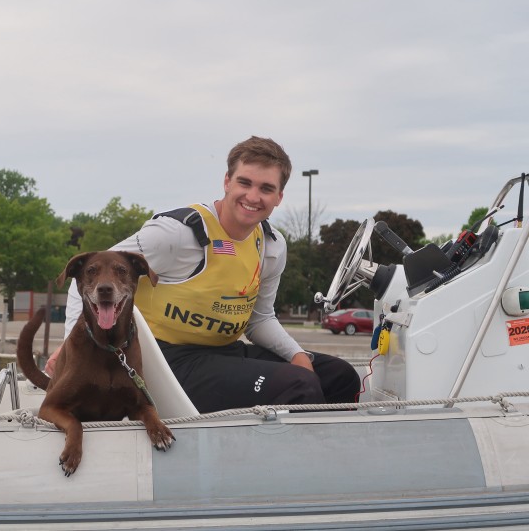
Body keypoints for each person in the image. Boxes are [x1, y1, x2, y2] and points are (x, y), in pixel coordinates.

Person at [56, 136, 360, 413]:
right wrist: (74, 349)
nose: (253, 196)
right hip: (164, 362)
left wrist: (297, 354)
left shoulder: (272, 246)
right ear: (227, 181)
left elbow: (259, 319)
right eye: (244, 183)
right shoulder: (176, 234)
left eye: (266, 188)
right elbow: (86, 277)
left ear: (279, 196)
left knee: (341, 377)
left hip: (223, 354)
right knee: (300, 386)